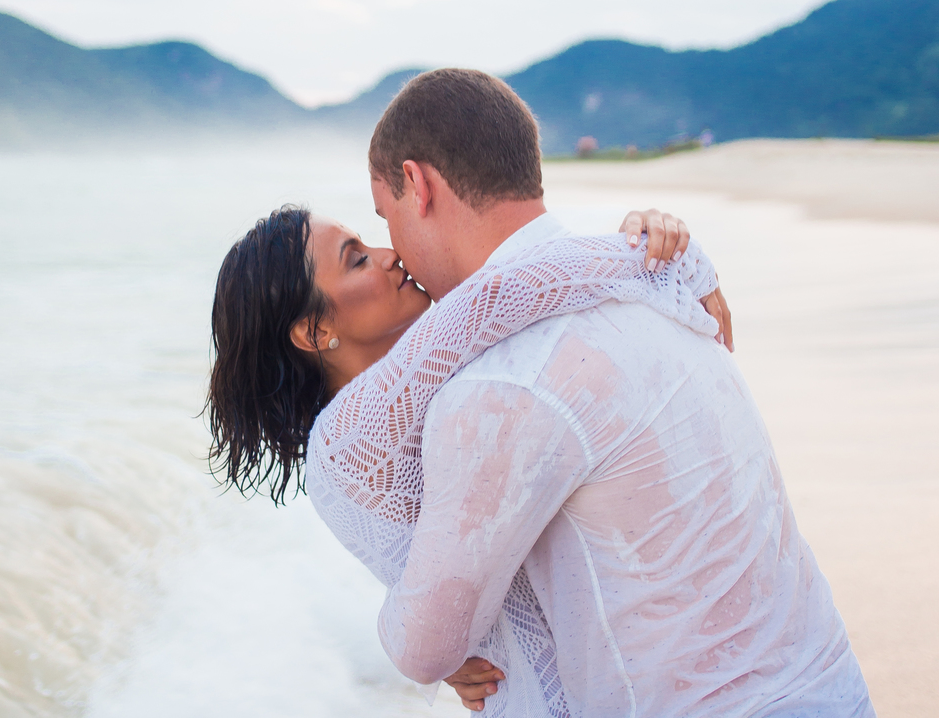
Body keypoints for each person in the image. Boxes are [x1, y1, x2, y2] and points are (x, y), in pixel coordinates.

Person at [207, 79, 731, 712]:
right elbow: (496, 297)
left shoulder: (426, 391)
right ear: (317, 330)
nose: (388, 254)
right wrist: (664, 258)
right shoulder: (349, 435)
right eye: (355, 259)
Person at [362, 70, 872, 716]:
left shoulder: (500, 385)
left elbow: (423, 648)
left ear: (418, 183)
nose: (395, 253)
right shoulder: (660, 285)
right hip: (835, 690)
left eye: (386, 216)